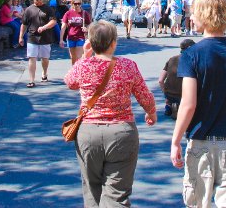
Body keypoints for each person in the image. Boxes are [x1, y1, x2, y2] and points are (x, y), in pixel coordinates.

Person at [170, 0, 226, 208]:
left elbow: (189, 105)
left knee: (198, 202)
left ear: (203, 16)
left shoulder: (191, 55)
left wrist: (176, 140)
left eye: (194, 14)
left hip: (200, 140)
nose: (191, 18)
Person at [64, 21, 157, 207]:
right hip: (121, 131)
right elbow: (144, 94)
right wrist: (151, 112)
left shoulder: (84, 66)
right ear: (113, 42)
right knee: (117, 193)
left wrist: (84, 56)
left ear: (90, 42)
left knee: (91, 189)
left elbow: (70, 82)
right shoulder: (128, 66)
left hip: (89, 132)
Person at [18, 0, 57, 87]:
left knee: (45, 59)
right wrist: (21, 37)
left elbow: (53, 22)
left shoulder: (48, 9)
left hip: (46, 37)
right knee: (32, 58)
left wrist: (44, 27)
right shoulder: (29, 10)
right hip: (32, 37)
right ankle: (31, 80)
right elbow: (24, 24)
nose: (39, 1)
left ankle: (44, 73)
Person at [158, 39, 196, 118]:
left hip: (169, 94)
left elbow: (160, 80)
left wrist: (165, 93)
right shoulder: (194, 61)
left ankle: (169, 104)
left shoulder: (172, 59)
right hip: (184, 95)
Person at [61, 0, 91, 65]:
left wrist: (87, 29)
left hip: (80, 37)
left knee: (78, 56)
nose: (77, 5)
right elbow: (63, 26)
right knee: (73, 57)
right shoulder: (68, 13)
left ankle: (79, 72)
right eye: (75, 4)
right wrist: (61, 39)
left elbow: (89, 24)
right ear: (72, 4)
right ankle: (74, 72)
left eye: (79, 4)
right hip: (71, 37)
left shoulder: (84, 13)